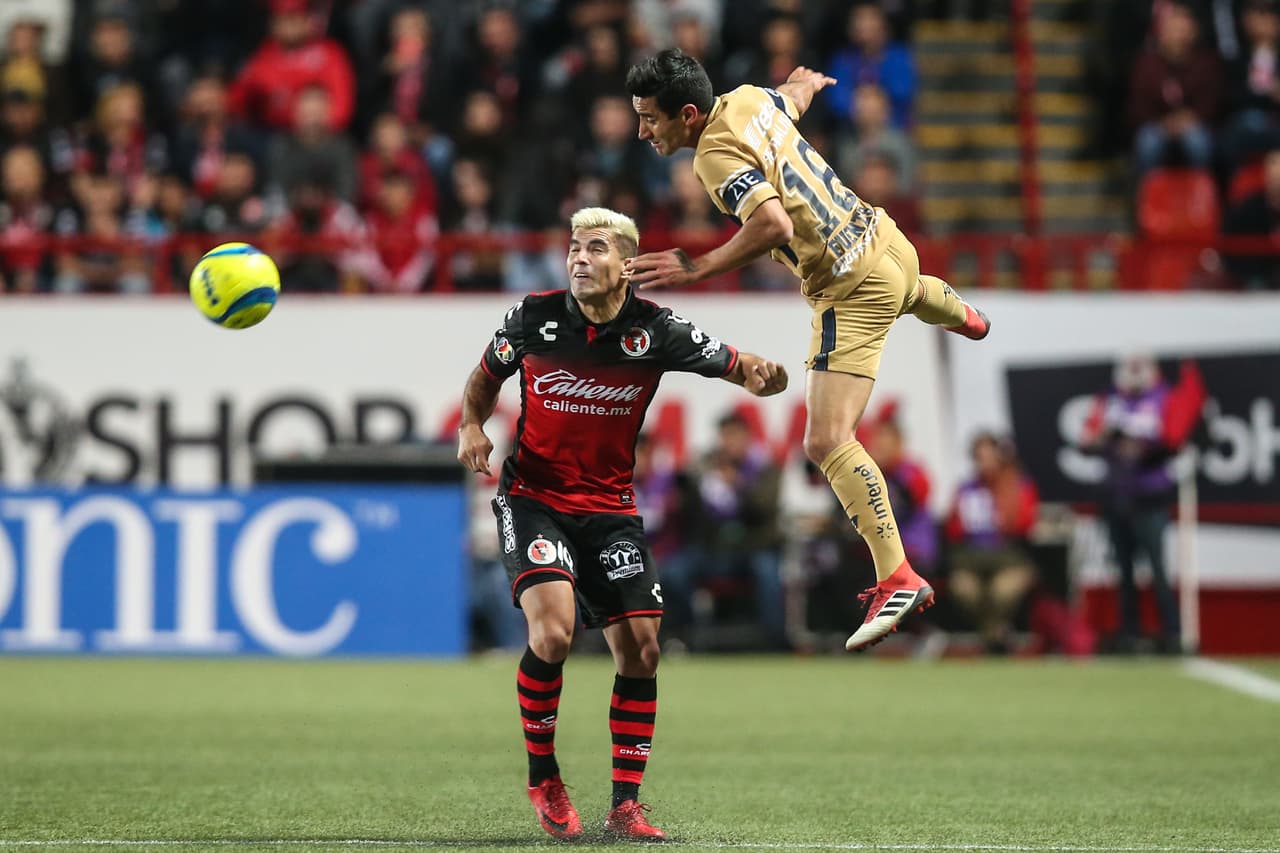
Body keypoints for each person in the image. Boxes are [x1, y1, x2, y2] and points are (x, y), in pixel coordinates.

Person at [624, 48, 990, 652]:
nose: (643, 131)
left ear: (687, 114)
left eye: (650, 119)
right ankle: (963, 314)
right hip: (886, 241)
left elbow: (774, 227)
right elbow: (787, 99)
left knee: (826, 441)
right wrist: (804, 84)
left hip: (849, 286)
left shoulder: (713, 157)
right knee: (908, 290)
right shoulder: (745, 97)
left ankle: (895, 574)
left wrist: (701, 266)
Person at [456, 206, 788, 841]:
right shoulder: (534, 317)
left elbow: (738, 363)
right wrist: (472, 424)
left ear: (627, 265)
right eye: (574, 247)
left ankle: (625, 806)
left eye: (597, 248)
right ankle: (544, 776)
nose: (580, 257)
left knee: (642, 651)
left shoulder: (656, 330)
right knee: (552, 635)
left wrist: (761, 376)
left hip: (610, 512)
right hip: (534, 499)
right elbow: (481, 382)